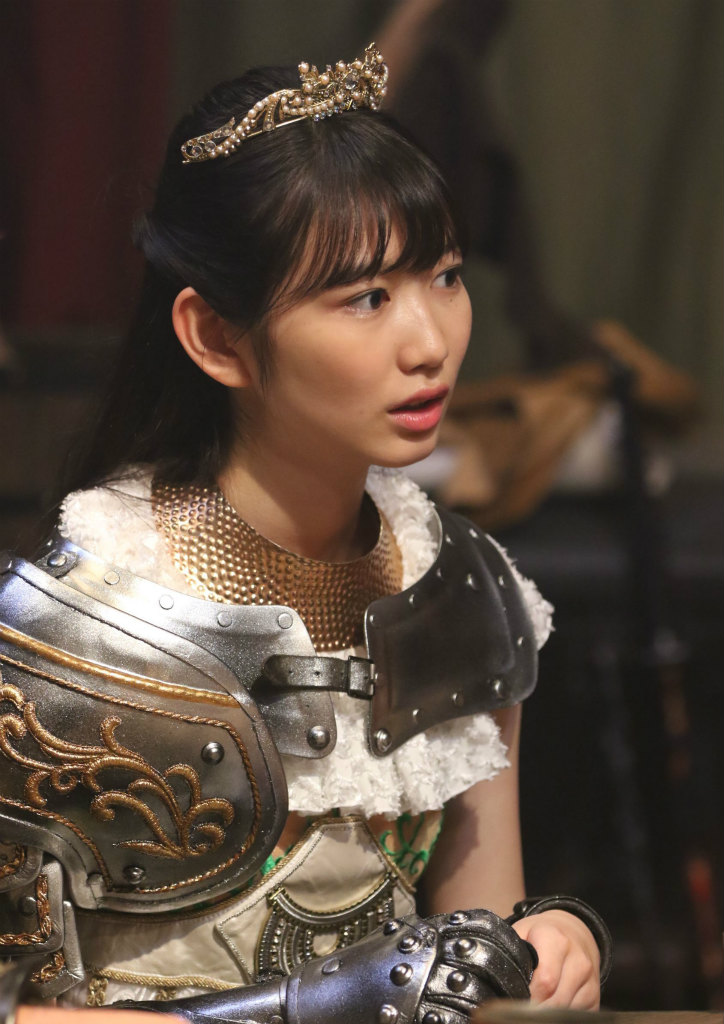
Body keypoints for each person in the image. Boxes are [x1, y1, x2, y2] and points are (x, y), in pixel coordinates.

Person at [0, 45, 610, 1023]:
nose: (430, 342)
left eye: (445, 275)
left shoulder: (460, 591)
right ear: (216, 336)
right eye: (367, 298)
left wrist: (549, 941)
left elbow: (479, 933)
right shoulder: (75, 623)